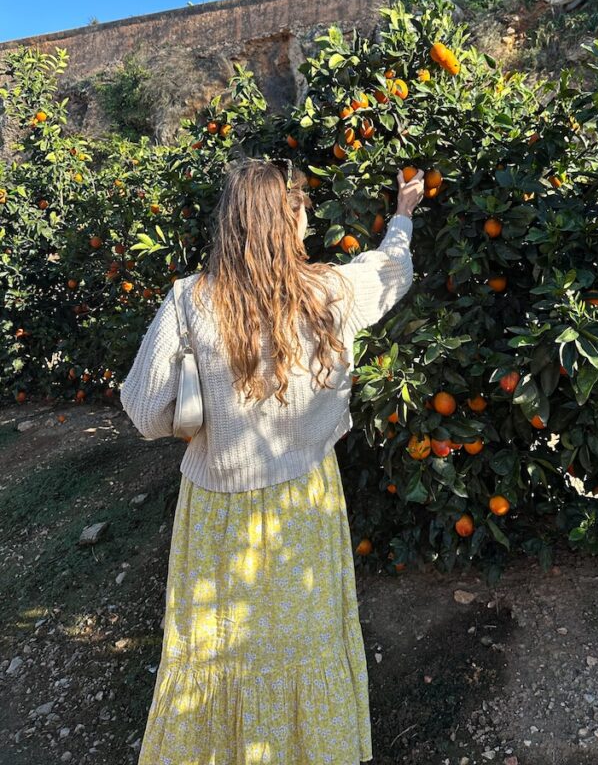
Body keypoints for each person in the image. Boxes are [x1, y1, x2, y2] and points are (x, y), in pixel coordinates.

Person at [119, 155, 424, 765]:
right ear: (285, 217)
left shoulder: (190, 301)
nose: (309, 214)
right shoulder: (328, 292)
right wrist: (403, 215)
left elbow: (146, 411)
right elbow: (390, 271)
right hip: (304, 501)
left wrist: (201, 422)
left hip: (217, 512)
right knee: (304, 642)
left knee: (214, 648)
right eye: (302, 205)